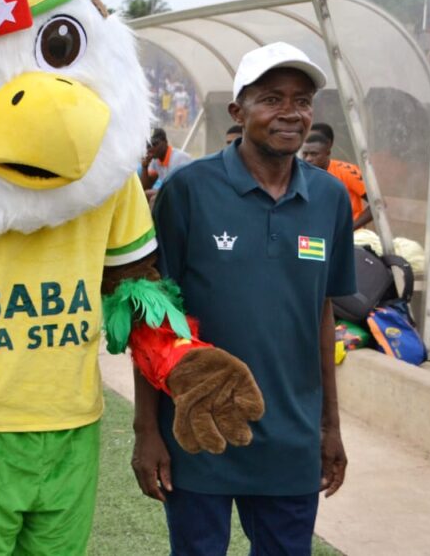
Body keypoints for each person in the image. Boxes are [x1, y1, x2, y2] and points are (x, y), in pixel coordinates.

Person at [132, 41, 356, 555]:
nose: (290, 114)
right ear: (239, 111)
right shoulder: (189, 190)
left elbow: (322, 315)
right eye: (272, 99)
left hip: (291, 440)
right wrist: (147, 430)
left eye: (301, 101)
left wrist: (330, 427)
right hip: (197, 432)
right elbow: (152, 315)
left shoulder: (328, 198)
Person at [301, 132, 373, 229]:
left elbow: (376, 204)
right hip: (318, 232)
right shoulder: (300, 174)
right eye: (305, 154)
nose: (308, 159)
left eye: (314, 154)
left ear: (327, 153)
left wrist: (349, 229)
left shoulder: (347, 171)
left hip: (351, 233)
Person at [140, 127, 192, 204]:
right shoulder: (155, 160)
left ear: (165, 142)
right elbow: (144, 188)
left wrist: (151, 193)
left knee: (153, 199)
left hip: (187, 195)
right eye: (148, 145)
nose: (150, 149)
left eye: (154, 144)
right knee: (144, 196)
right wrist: (145, 167)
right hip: (173, 193)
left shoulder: (179, 158)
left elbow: (179, 189)